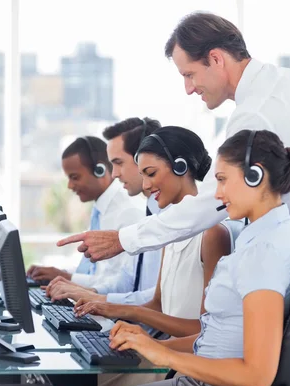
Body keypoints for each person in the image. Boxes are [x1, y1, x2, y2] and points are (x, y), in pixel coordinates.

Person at [58, 12, 290, 386]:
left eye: (189, 74)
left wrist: (125, 239)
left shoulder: (256, 114)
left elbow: (210, 204)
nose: (189, 89)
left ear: (217, 59)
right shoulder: (288, 82)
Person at [98, 129, 290, 386]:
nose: (217, 195)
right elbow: (218, 338)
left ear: (255, 175)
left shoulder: (264, 252)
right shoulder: (259, 238)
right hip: (201, 384)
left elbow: (257, 376)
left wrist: (163, 355)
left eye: (222, 180)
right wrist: (152, 343)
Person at [73, 125, 231, 339]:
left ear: (180, 167)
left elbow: (205, 331)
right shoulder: (166, 232)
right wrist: (109, 307)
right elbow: (157, 305)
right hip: (164, 354)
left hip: (182, 361)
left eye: (151, 173)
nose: (146, 185)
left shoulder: (212, 235)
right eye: (142, 176)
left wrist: (130, 314)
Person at [46, 118, 164, 306]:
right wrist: (89, 293)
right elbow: (128, 278)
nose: (115, 174)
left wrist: (93, 297)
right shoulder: (149, 212)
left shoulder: (135, 213)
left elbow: (157, 299)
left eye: (118, 163)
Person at [27, 136, 142, 290]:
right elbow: (94, 271)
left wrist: (67, 278)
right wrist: (60, 274)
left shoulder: (127, 212)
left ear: (99, 171)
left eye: (74, 177)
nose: (69, 185)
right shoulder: (101, 209)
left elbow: (121, 284)